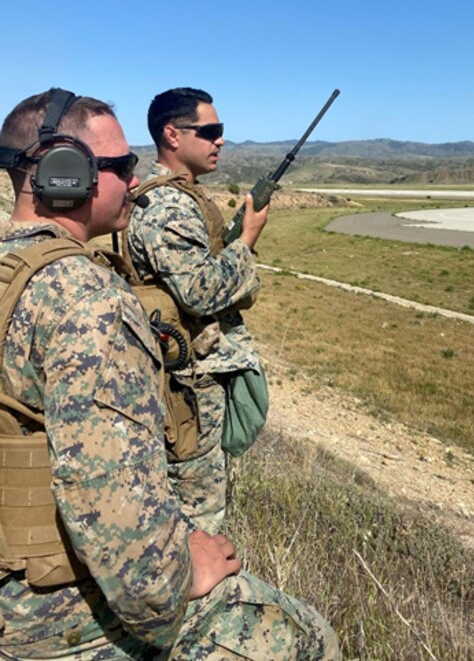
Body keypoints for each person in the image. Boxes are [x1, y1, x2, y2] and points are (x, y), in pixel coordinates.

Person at [0, 88, 339, 659]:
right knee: (306, 637)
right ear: (65, 175)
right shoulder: (87, 301)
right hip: (49, 614)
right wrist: (180, 581)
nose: (133, 181)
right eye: (118, 167)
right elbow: (111, 511)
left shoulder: (14, 270)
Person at [124, 87, 267, 534]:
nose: (220, 141)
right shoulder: (168, 206)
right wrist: (246, 241)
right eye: (210, 131)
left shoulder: (178, 198)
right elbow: (201, 292)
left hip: (189, 380)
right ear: (172, 135)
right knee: (197, 519)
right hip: (188, 389)